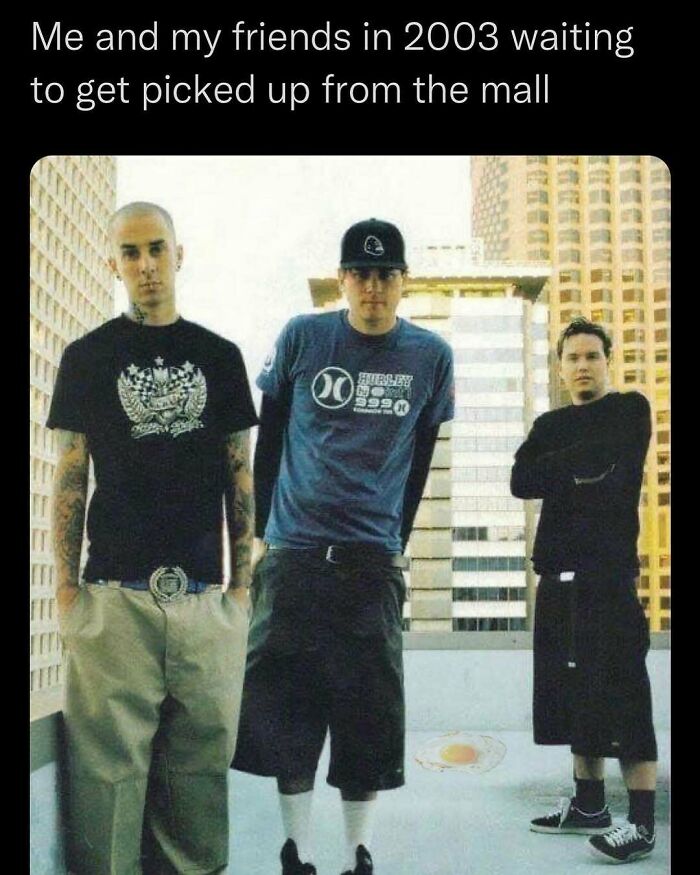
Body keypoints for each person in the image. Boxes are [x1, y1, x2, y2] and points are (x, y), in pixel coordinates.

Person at [232, 218, 454, 875]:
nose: (373, 287)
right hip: (295, 558)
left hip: (370, 566)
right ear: (342, 278)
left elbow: (419, 462)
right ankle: (295, 851)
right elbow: (268, 439)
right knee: (289, 713)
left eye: (386, 274)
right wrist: (261, 536)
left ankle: (358, 851)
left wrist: (395, 544)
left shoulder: (431, 356)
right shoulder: (304, 336)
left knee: (369, 719)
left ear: (403, 281)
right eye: (361, 272)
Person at [48, 201, 258, 874]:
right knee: (106, 786)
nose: (145, 265)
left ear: (179, 254)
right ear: (113, 264)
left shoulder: (220, 357)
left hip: (204, 603)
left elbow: (239, 474)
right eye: (130, 253)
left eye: (156, 249)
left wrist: (242, 589)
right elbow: (72, 475)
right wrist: (65, 586)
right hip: (114, 602)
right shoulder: (87, 357)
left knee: (198, 783)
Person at [510, 317, 657, 864]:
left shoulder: (629, 409)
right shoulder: (550, 422)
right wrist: (579, 466)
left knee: (624, 695)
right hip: (558, 581)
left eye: (592, 356)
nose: (582, 366)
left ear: (607, 360)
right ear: (560, 365)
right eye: (572, 357)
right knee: (574, 698)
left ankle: (640, 824)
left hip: (607, 581)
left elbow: (605, 463)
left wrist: (559, 467)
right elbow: (519, 481)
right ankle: (589, 805)